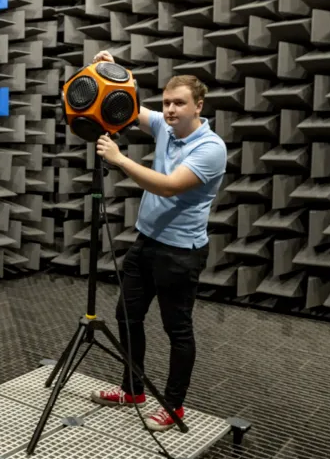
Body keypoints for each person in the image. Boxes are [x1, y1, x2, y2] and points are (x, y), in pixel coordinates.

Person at [87, 50, 227, 432]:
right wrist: (112, 71)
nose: (169, 110)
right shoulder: (165, 126)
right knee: (126, 317)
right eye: (166, 102)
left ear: (198, 105)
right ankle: (133, 389)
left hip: (180, 254)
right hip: (145, 244)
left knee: (177, 330)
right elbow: (128, 107)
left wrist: (120, 159)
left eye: (178, 103)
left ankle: (174, 406)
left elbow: (167, 187)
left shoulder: (211, 148)